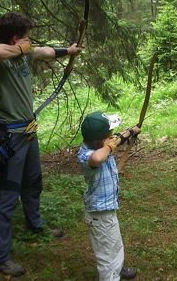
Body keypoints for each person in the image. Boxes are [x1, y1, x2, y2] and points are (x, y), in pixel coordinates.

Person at [0, 12, 82, 277]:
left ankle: (35, 224)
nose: (29, 40)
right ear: (15, 38)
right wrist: (18, 49)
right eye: (25, 35)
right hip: (10, 137)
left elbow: (45, 51)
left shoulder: (25, 53)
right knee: (7, 194)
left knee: (33, 182)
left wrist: (67, 51)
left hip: (28, 133)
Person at [78, 111, 140, 280]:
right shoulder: (87, 155)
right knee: (106, 255)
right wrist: (110, 145)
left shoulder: (101, 150)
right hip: (99, 214)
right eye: (109, 135)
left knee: (115, 245)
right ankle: (110, 276)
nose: (112, 138)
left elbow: (115, 170)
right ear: (100, 140)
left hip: (106, 211)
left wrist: (129, 137)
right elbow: (97, 159)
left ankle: (117, 268)